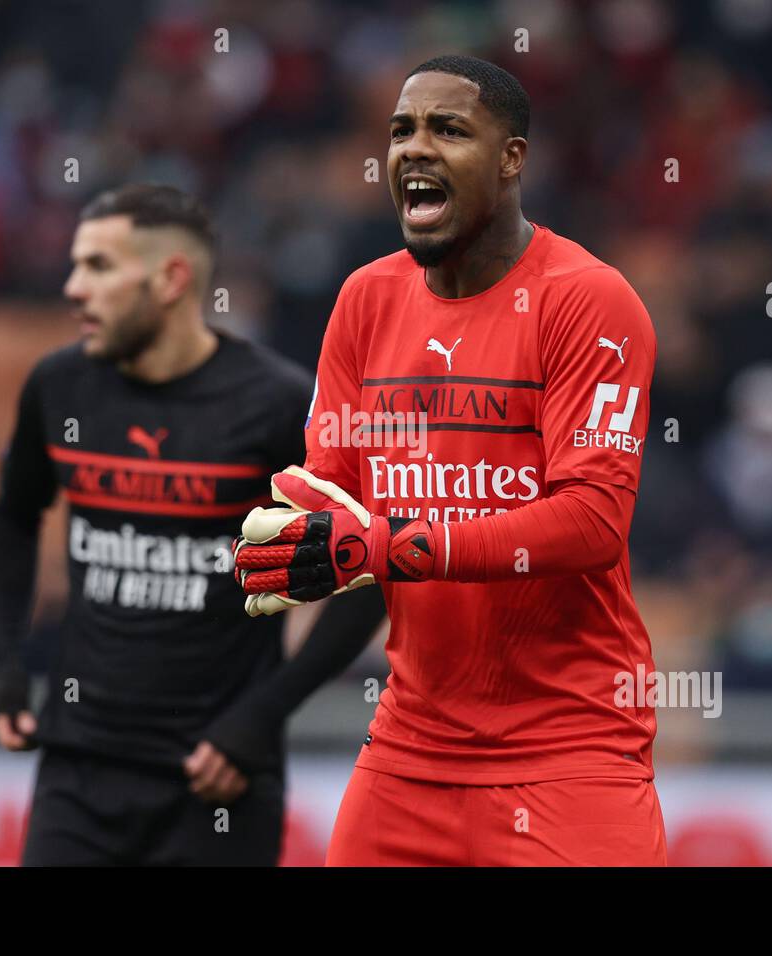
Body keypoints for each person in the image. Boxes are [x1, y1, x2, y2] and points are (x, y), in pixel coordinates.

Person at [234, 56, 666, 865]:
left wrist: (387, 545)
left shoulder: (589, 299)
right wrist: (282, 527)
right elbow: (333, 488)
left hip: (569, 752)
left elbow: (592, 522)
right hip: (410, 753)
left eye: (449, 129)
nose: (415, 149)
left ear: (512, 159)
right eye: (402, 131)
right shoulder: (366, 297)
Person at [0, 183, 381, 866]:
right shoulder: (59, 386)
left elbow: (370, 566)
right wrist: (6, 669)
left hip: (216, 777)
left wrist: (262, 715)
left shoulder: (278, 403)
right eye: (76, 265)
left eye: (100, 267)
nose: (74, 288)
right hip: (78, 772)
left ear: (172, 278)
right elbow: (13, 520)